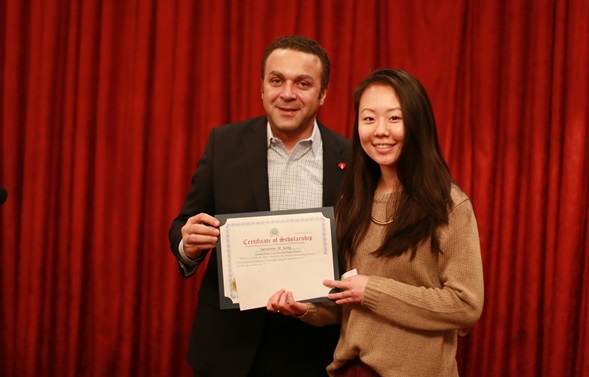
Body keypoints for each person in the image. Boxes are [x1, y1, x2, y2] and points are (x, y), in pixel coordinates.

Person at [267, 68, 484, 377]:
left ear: (418, 124)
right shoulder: (353, 200)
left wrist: (372, 290)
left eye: (394, 118)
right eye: (368, 119)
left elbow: (465, 305)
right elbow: (350, 299)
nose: (380, 131)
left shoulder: (448, 205)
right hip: (351, 369)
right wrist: (307, 310)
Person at [169, 35, 352, 377]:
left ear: (323, 94)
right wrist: (188, 245)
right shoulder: (223, 144)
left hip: (315, 348)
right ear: (262, 88)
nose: (287, 93)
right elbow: (184, 224)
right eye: (277, 80)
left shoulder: (353, 159)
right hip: (228, 346)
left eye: (303, 83)